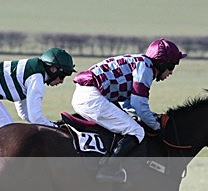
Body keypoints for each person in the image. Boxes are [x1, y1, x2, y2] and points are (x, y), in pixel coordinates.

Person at [71, 38, 187, 183]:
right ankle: (108, 170)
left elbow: (128, 104)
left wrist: (150, 116)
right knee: (137, 131)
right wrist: (157, 127)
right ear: (163, 63)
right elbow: (139, 105)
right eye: (172, 67)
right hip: (92, 98)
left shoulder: (139, 62)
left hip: (85, 95)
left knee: (127, 124)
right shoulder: (145, 68)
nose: (171, 72)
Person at [0, 47, 75, 130]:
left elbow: (24, 113)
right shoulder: (36, 78)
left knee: (8, 129)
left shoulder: (33, 71)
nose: (61, 81)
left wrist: (48, 124)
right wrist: (55, 127)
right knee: (8, 131)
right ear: (53, 69)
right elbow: (35, 118)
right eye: (62, 76)